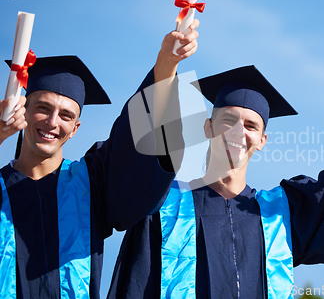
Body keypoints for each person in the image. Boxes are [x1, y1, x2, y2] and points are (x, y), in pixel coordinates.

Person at [107, 39, 324, 298]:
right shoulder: (160, 207)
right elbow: (137, 155)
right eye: (227, 121)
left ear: (263, 140)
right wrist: (167, 67)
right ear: (207, 127)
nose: (238, 133)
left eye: (251, 126)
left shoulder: (280, 216)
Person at [0, 21, 200, 298]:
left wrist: (166, 64)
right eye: (43, 108)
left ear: (75, 129)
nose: (52, 122)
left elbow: (132, 141)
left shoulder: (91, 183)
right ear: (24, 111)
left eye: (66, 115)